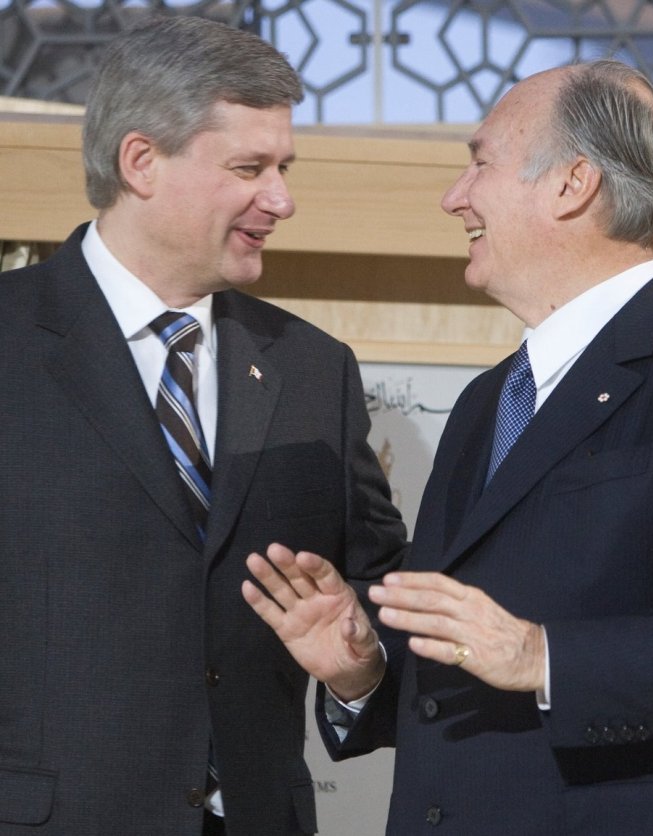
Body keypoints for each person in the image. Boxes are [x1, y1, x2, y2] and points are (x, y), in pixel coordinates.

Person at [244, 59, 653, 834]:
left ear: (573, 185)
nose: (454, 197)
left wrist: (544, 657)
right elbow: (462, 661)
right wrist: (363, 667)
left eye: (480, 162)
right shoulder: (488, 401)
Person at [0, 16, 406, 836]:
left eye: (284, 168)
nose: (282, 200)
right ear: (141, 161)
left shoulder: (315, 370)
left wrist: (361, 664)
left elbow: (378, 589)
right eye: (250, 168)